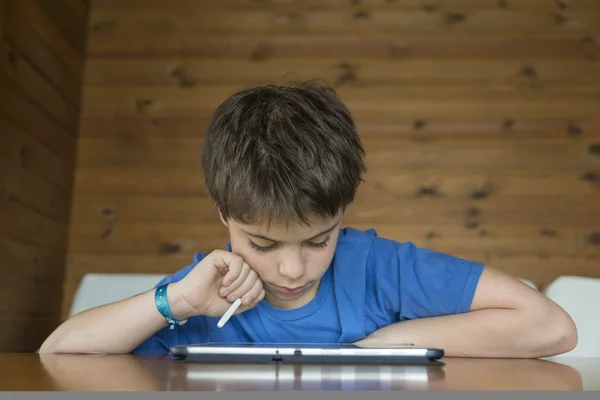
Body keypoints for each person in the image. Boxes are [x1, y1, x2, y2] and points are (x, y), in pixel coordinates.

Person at [39, 82, 577, 358]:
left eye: (319, 240)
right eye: (263, 245)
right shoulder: (204, 292)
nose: (293, 269)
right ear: (224, 214)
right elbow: (57, 355)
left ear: (344, 212)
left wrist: (380, 343)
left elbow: (552, 327)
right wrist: (175, 301)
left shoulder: (377, 267)